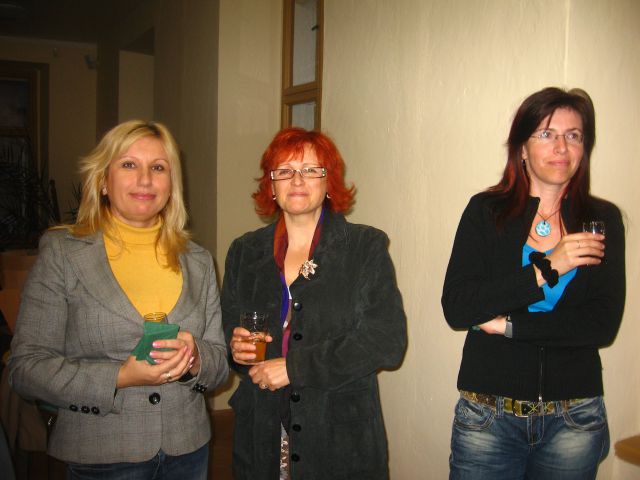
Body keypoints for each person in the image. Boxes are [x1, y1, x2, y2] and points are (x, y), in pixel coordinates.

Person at [8, 120, 229, 479]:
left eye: (158, 168)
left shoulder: (198, 260)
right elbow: (26, 368)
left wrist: (195, 359)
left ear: (172, 184)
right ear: (102, 180)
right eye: (129, 165)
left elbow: (219, 364)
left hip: (188, 449)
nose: (145, 179)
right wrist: (120, 377)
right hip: (101, 454)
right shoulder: (63, 253)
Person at [441, 87, 626, 479]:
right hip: (488, 415)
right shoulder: (486, 212)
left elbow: (601, 325)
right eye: (546, 134)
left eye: (573, 135)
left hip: (574, 417)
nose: (561, 146)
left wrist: (509, 326)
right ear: (522, 148)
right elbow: (458, 307)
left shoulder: (601, 220)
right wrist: (547, 267)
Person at [221, 127, 407, 479]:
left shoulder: (364, 247)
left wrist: (295, 368)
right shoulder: (244, 251)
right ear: (271, 184)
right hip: (262, 433)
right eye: (284, 171)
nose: (297, 180)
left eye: (310, 169)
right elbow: (229, 332)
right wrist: (237, 348)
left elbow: (386, 341)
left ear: (328, 181)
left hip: (337, 436)